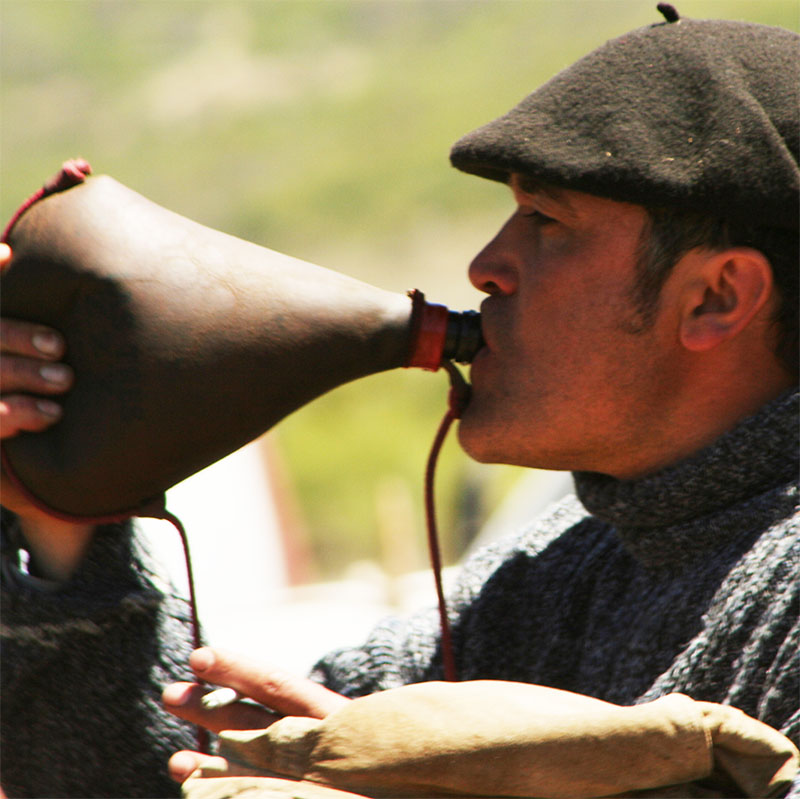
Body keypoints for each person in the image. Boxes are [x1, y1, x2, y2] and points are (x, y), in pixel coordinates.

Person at [2, 6, 798, 797]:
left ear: (716, 297)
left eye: (546, 220)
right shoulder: (558, 570)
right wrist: (66, 530)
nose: (486, 265)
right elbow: (171, 777)